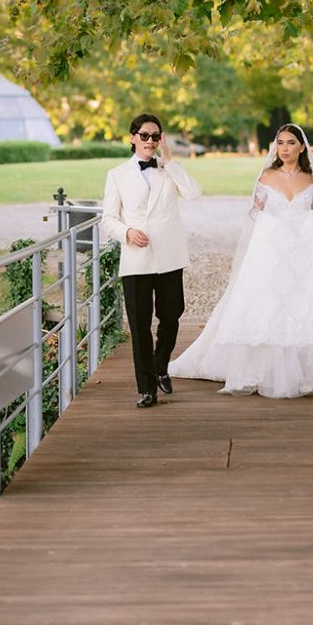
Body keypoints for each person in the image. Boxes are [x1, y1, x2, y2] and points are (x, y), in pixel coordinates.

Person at [169, 123, 313, 399]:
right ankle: (264, 368)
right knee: (269, 305)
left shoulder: (311, 180)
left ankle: (308, 368)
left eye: (291, 143)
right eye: (280, 143)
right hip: (272, 254)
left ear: (302, 147)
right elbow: (255, 213)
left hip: (306, 256)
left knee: (307, 306)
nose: (285, 148)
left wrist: (308, 227)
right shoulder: (266, 177)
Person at [102, 113, 201, 408]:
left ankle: (161, 366)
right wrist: (127, 232)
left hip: (169, 257)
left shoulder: (168, 170)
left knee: (171, 316)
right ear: (132, 137)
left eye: (155, 136)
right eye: (144, 135)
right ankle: (146, 388)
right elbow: (108, 219)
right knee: (140, 325)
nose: (150, 141)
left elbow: (194, 194)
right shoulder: (117, 175)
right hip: (136, 260)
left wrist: (170, 161)